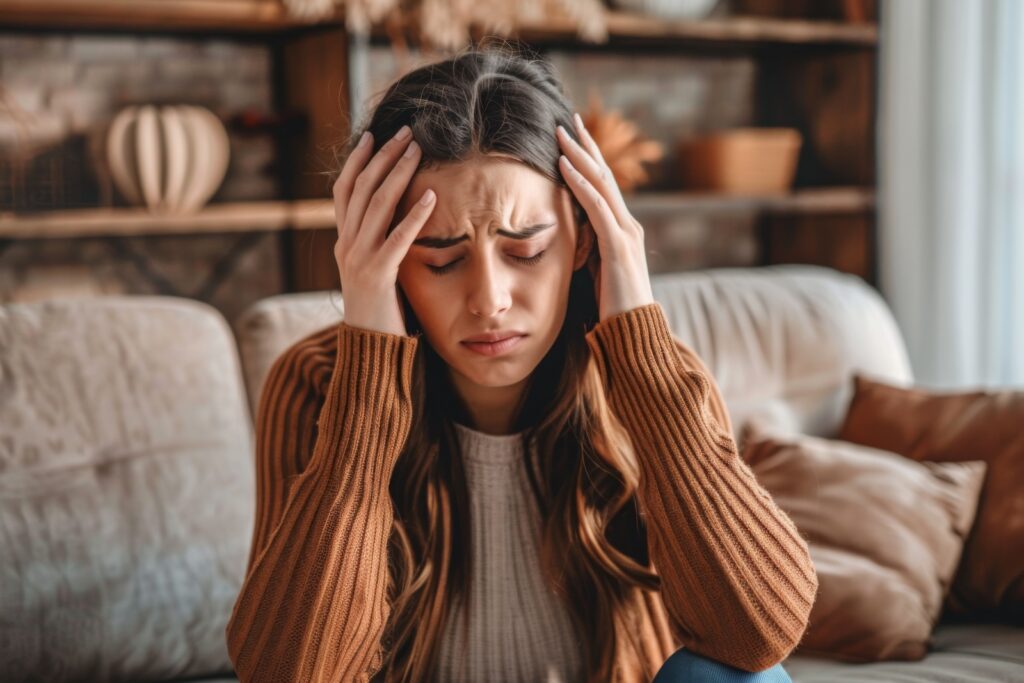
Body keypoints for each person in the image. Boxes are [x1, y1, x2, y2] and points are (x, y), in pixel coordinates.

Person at [225, 42, 817, 683]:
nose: (489, 302)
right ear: (385, 261)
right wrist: (367, 364)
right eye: (442, 260)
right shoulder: (312, 383)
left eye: (527, 251)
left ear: (585, 236)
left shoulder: (652, 375)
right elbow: (288, 673)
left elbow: (757, 637)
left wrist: (639, 340)